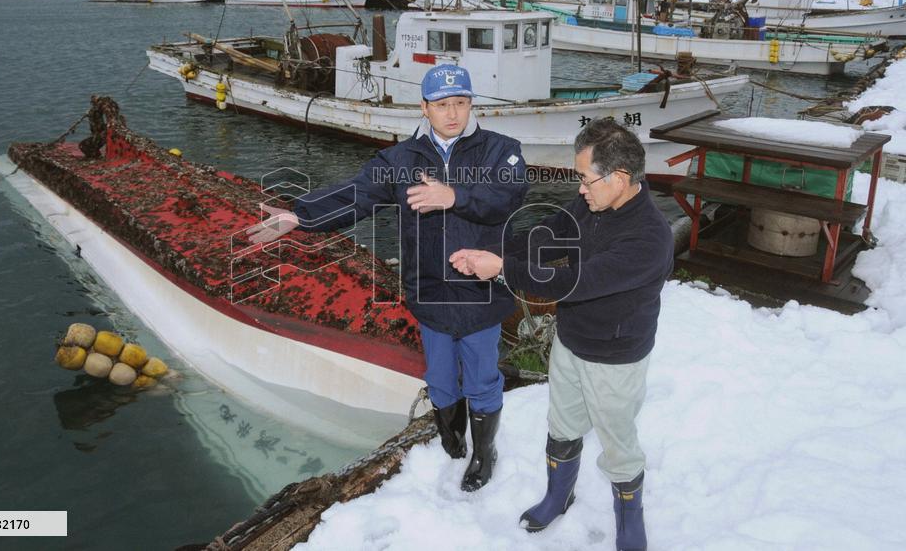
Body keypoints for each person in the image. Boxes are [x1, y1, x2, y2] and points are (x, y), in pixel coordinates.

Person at [248, 64, 528, 491]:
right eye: (442, 105)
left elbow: (506, 196)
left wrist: (452, 195)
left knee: (482, 377)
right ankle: (452, 437)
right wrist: (299, 216)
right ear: (424, 107)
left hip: (480, 291)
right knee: (438, 377)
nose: (452, 114)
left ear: (472, 105)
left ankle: (483, 453)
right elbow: (356, 195)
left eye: (461, 103)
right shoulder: (400, 160)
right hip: (429, 289)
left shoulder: (500, 151)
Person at [449, 118, 673, 550]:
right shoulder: (592, 203)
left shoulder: (649, 239)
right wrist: (497, 251)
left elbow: (573, 282)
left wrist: (501, 271)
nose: (581, 189)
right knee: (562, 424)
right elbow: (550, 238)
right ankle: (559, 494)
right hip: (571, 341)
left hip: (616, 356)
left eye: (586, 180)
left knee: (618, 442)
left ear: (620, 178)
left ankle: (630, 521)